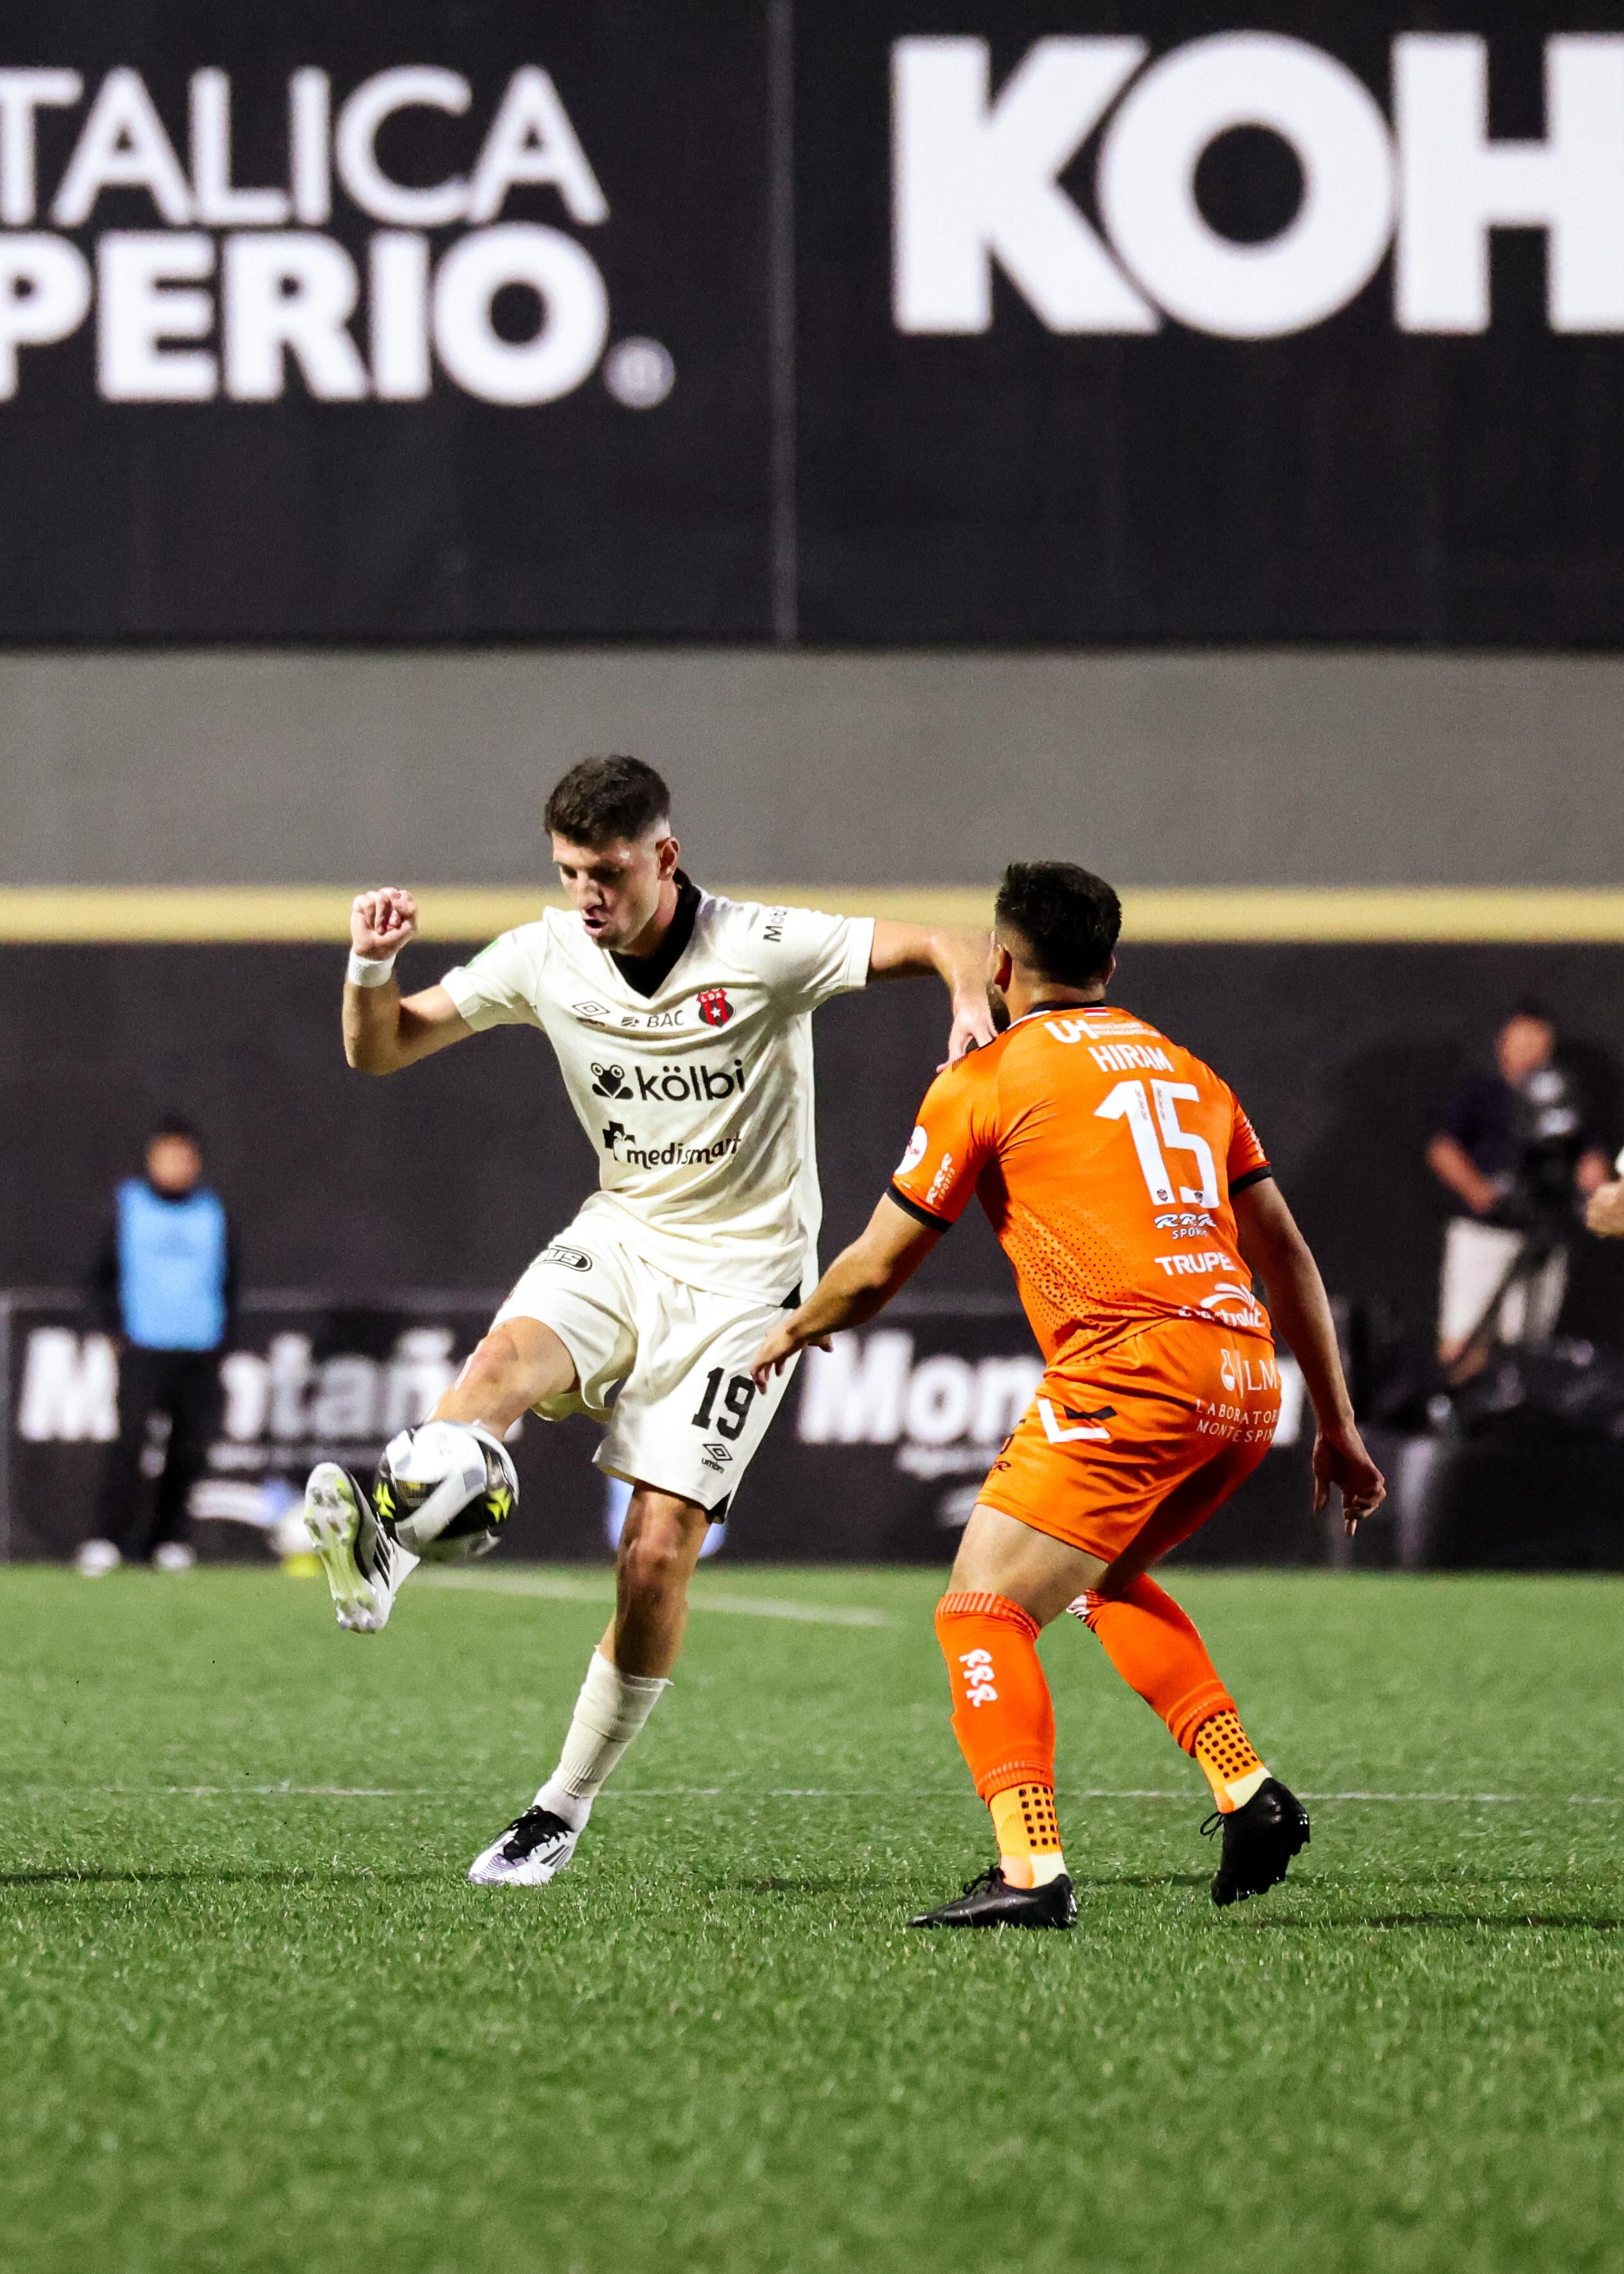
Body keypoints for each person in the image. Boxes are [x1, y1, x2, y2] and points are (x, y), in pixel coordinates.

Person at [305, 754, 994, 1887]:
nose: (588, 895)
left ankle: (558, 1808)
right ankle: (383, 1545)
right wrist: (371, 964)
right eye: (570, 871)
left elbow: (946, 942)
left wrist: (968, 1002)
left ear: (662, 857)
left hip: (748, 1288)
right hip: (623, 1241)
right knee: (490, 1375)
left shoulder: (760, 947)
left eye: (609, 872)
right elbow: (379, 1049)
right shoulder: (544, 954)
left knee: (656, 1554)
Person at [752, 861, 1385, 1929]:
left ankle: (1030, 1870)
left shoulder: (988, 1077)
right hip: (1240, 1378)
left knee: (978, 1611)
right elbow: (1289, 1258)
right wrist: (1336, 1423)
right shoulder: (1191, 1073)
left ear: (999, 965)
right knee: (1101, 1578)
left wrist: (791, 1330)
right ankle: (1247, 1790)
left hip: (1129, 1370)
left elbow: (871, 1271)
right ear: (1110, 964)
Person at [77, 1118, 237, 1576]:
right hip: (143, 1347)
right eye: (167, 1156)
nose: (175, 1165)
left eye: (184, 1157)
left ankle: (168, 1541)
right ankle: (107, 1539)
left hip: (200, 1348)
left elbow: (231, 1281)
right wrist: (112, 1332)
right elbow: (98, 1276)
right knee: (129, 1445)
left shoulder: (212, 1211)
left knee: (188, 1449)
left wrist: (225, 1340)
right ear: (151, 1160)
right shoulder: (128, 1206)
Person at [1426, 1005, 1609, 1372]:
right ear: (1503, 1045)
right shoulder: (1484, 1093)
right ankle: (1453, 1418)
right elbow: (1442, 1148)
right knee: (1463, 1340)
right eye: (1523, 1041)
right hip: (1486, 1235)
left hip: (1543, 1235)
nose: (1531, 1051)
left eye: (1540, 1043)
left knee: (1528, 1347)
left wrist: (1596, 1188)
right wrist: (1481, 1192)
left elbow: (1589, 1160)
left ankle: (1515, 1422)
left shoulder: (1563, 1096)